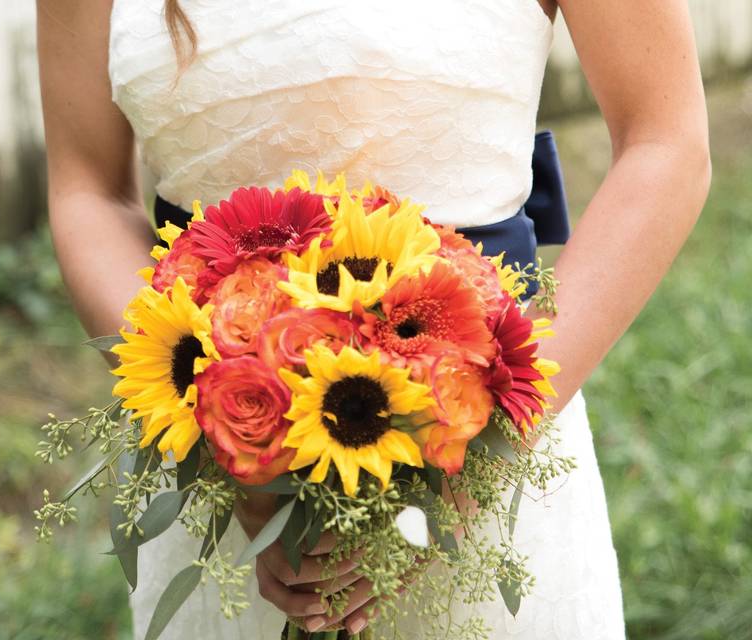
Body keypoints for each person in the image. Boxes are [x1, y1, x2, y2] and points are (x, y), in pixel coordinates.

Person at [36, 0, 710, 637]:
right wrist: (221, 441)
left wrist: (483, 450)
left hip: (486, 447)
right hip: (224, 499)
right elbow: (87, 189)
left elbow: (664, 139)